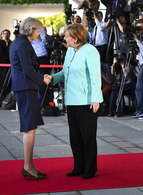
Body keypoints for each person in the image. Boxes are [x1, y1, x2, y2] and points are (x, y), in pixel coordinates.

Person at [50, 23, 103, 179]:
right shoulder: (70, 51)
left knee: (87, 137)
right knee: (75, 137)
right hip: (72, 100)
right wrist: (51, 78)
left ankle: (90, 168)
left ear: (75, 37)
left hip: (86, 101)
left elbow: (95, 77)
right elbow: (65, 72)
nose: (64, 38)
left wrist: (95, 99)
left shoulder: (90, 50)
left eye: (66, 36)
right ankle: (79, 167)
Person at [9, 17, 50, 180]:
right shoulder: (24, 44)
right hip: (26, 87)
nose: (40, 33)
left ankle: (30, 165)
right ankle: (27, 166)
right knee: (30, 126)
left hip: (24, 86)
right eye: (39, 30)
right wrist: (43, 79)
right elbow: (27, 71)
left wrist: (40, 77)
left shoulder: (19, 42)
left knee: (30, 126)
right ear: (31, 29)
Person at [108, 52, 133, 116]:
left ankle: (120, 110)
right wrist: (113, 63)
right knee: (113, 92)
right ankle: (111, 111)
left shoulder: (128, 65)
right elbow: (112, 73)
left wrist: (123, 66)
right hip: (119, 85)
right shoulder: (117, 65)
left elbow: (126, 76)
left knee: (119, 91)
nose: (121, 60)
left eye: (123, 59)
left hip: (127, 85)